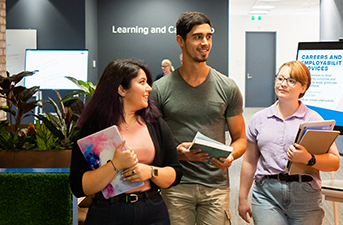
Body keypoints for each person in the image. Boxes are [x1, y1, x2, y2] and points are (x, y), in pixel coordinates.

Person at [150, 11, 247, 225]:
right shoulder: (160, 89)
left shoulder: (227, 87)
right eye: (197, 37)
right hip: (175, 184)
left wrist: (231, 155)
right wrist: (175, 154)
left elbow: (240, 138)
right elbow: (150, 141)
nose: (205, 43)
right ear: (180, 41)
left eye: (208, 36)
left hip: (216, 187)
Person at [70, 59, 183, 225]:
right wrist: (115, 164)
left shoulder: (156, 124)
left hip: (152, 209)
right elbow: (79, 187)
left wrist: (150, 172)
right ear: (121, 89)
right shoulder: (94, 128)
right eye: (142, 82)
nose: (149, 88)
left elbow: (176, 173)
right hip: (107, 212)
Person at [238, 61, 340, 225]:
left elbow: (334, 162)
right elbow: (249, 161)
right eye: (280, 79)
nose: (283, 84)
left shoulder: (313, 120)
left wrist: (308, 158)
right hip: (266, 194)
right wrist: (242, 198)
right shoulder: (259, 119)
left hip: (305, 195)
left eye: (291, 81)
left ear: (303, 87)